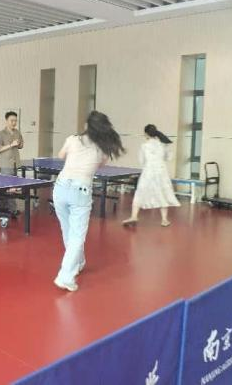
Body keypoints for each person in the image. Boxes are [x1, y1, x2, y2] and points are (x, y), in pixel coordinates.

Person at [53, 111, 125, 292]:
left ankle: (78, 262)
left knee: (68, 231)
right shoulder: (101, 149)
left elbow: (61, 155)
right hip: (80, 191)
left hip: (60, 188)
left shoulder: (72, 139)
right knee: (77, 235)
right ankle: (65, 277)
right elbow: (101, 164)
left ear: (86, 126)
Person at [122, 124, 180, 227]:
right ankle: (164, 220)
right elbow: (169, 158)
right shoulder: (163, 144)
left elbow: (141, 161)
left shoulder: (144, 146)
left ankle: (134, 216)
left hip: (148, 171)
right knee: (163, 193)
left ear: (146, 134)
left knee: (140, 192)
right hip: (161, 172)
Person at [0, 111, 23, 214]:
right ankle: (9, 208)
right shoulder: (1, 134)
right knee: (7, 187)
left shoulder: (17, 132)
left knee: (12, 187)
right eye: (12, 120)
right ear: (6, 121)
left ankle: (6, 207)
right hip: (6, 164)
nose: (14, 123)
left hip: (15, 163)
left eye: (15, 121)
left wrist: (19, 144)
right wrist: (11, 145)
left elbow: (21, 145)